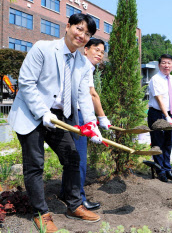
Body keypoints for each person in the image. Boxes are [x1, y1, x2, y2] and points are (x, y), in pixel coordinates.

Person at [8, 13, 102, 232]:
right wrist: (43, 112)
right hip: (32, 113)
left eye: (87, 34)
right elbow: (26, 83)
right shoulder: (43, 48)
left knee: (72, 157)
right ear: (67, 26)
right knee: (35, 165)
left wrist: (91, 124)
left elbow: (82, 95)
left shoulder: (81, 62)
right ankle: (41, 213)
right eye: (79, 29)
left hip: (57, 117)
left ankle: (73, 205)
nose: (82, 36)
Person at [60, 39, 111, 210]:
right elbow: (92, 94)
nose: (99, 54)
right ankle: (79, 198)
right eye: (96, 49)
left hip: (71, 112)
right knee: (79, 159)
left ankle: (65, 192)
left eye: (102, 52)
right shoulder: (84, 65)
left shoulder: (81, 65)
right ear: (86, 50)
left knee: (71, 157)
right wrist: (101, 118)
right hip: (78, 115)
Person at [147, 54, 172, 182]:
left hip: (170, 114)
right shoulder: (155, 79)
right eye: (164, 63)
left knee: (168, 142)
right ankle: (160, 171)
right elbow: (159, 98)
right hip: (157, 114)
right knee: (158, 143)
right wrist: (167, 116)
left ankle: (168, 170)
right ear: (159, 65)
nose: (166, 65)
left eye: (169, 63)